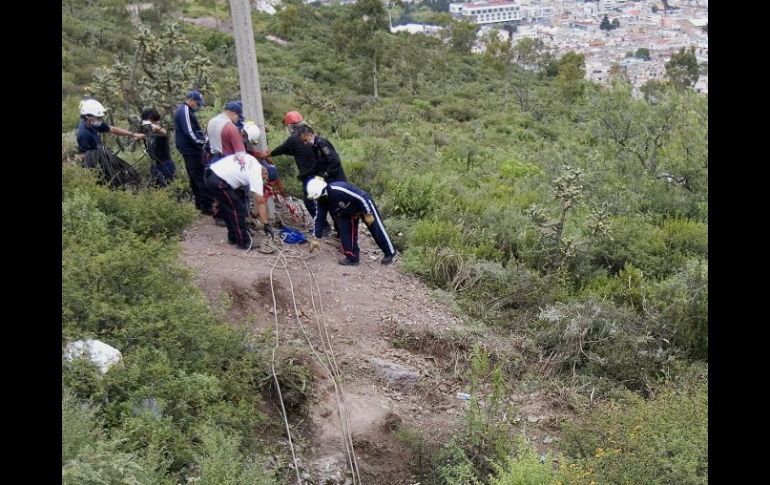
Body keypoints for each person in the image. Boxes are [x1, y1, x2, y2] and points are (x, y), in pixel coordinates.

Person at [305, 177, 396, 266]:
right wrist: (316, 238)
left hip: (362, 205)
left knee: (376, 228)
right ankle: (352, 258)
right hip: (345, 212)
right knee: (345, 233)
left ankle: (390, 252)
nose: (315, 199)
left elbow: (361, 197)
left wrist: (368, 213)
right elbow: (319, 219)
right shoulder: (322, 201)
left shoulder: (339, 189)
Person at [204, 153, 275, 250]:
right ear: (265, 173)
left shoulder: (253, 161)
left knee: (228, 208)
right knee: (239, 210)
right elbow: (261, 203)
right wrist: (266, 224)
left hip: (211, 174)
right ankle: (244, 242)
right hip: (219, 181)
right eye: (265, 179)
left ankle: (233, 237)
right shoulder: (256, 173)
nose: (264, 181)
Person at [268, 111, 324, 221]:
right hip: (321, 171)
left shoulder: (293, 138)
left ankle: (323, 226)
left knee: (309, 202)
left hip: (309, 174)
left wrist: (267, 154)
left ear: (291, 126)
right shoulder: (312, 134)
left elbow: (281, 150)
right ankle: (337, 227)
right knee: (324, 199)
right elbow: (295, 151)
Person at [173, 90, 211, 215]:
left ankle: (200, 204)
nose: (198, 106)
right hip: (191, 150)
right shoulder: (184, 110)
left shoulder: (184, 110)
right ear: (191, 100)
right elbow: (189, 131)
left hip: (189, 149)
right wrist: (202, 143)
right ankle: (207, 206)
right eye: (197, 103)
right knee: (200, 177)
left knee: (194, 177)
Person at [76, 98, 145, 159]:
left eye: (101, 117)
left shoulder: (93, 123)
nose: (100, 120)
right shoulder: (83, 134)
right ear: (87, 116)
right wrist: (101, 154)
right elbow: (83, 156)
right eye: (98, 117)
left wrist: (133, 135)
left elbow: (112, 129)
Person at [139, 108, 176, 187]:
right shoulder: (148, 132)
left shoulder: (159, 131)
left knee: (168, 188)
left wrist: (152, 125)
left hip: (165, 165)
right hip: (154, 166)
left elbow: (164, 132)